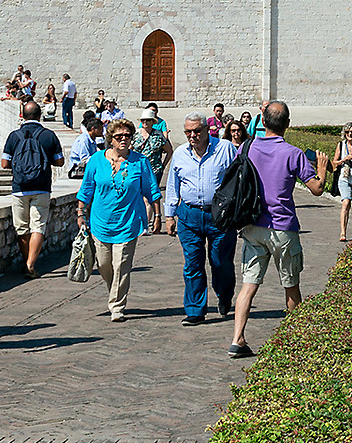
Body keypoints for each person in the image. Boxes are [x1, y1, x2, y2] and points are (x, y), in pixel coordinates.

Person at [227, 101, 332, 359]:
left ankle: (237, 339)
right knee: (291, 285)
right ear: (288, 124)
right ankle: (295, 340)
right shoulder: (293, 153)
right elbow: (316, 189)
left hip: (252, 225)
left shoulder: (247, 147)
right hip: (282, 227)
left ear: (262, 122)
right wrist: (321, 168)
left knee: (248, 286)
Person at [77, 117, 158, 321]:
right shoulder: (96, 160)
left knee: (122, 266)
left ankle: (116, 306)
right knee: (104, 265)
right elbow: (86, 189)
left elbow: (152, 191)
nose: (123, 139)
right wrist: (80, 213)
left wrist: (157, 215)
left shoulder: (140, 162)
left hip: (129, 222)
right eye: (119, 136)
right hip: (100, 223)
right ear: (110, 138)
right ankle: (115, 291)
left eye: (127, 136)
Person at [161, 113, 239, 325]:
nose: (192, 135)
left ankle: (224, 295)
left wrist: (237, 212)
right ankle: (195, 310)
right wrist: (169, 215)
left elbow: (238, 179)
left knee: (220, 262)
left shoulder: (225, 149)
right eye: (188, 132)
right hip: (189, 215)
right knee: (193, 264)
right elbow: (173, 184)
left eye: (197, 131)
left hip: (219, 216)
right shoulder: (180, 153)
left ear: (206, 130)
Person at [0, 100, 67, 276]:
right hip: (42, 187)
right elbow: (60, 161)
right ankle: (31, 265)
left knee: (22, 228)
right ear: (39, 115)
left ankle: (27, 263)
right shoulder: (49, 135)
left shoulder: (14, 136)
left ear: (22, 115)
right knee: (38, 226)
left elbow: (4, 163)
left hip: (20, 187)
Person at [139, 103, 173, 233]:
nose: (145, 123)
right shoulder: (136, 135)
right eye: (143, 120)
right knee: (139, 197)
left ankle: (145, 225)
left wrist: (163, 166)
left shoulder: (158, 136)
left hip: (154, 171)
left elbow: (169, 151)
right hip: (139, 171)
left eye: (147, 120)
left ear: (152, 122)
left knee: (148, 198)